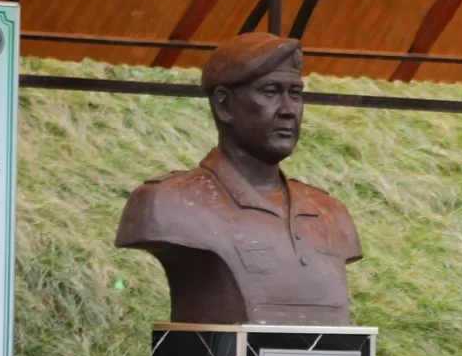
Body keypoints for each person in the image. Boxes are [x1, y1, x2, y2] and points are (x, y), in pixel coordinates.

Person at [116, 33, 362, 326]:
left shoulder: (331, 213)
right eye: (270, 92)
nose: (288, 110)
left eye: (295, 93)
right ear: (224, 105)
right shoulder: (167, 203)